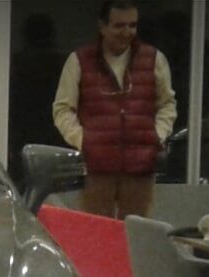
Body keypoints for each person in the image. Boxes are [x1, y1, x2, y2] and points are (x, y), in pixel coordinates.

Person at [53, 0, 177, 219]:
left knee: (136, 233)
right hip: (96, 169)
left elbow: (167, 104)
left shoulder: (155, 59)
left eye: (132, 25)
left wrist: (156, 135)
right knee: (96, 233)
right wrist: (84, 140)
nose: (127, 32)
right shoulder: (79, 60)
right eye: (119, 25)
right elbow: (62, 109)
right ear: (102, 26)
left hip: (141, 168)